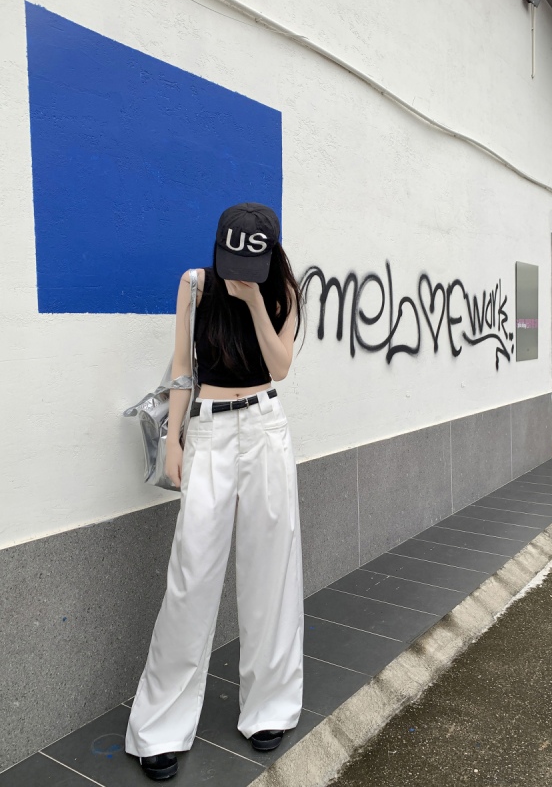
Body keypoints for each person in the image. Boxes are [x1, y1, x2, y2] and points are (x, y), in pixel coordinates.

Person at [124, 202, 306, 781]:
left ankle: (270, 708)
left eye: (249, 265)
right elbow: (183, 365)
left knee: (271, 572)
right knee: (191, 575)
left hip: (265, 427)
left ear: (270, 256)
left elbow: (280, 366)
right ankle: (158, 727)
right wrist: (174, 441)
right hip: (208, 429)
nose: (236, 274)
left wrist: (253, 300)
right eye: (231, 261)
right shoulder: (195, 284)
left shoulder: (285, 290)